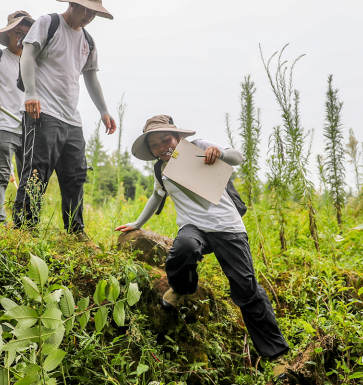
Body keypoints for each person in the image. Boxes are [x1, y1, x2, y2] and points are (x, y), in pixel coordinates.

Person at [115, 115, 290, 360]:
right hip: (193, 227)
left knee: (246, 289)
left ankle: (276, 356)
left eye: (166, 139)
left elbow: (237, 157)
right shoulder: (161, 168)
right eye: (155, 145)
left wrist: (218, 153)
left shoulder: (197, 147)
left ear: (177, 137)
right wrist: (136, 223)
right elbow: (157, 195)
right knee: (183, 248)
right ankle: (181, 288)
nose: (162, 147)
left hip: (227, 227)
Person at [14, 0, 116, 238]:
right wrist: (30, 93)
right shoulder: (49, 23)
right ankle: (25, 229)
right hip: (42, 111)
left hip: (72, 120)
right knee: (36, 171)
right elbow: (27, 55)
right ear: (72, 3)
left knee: (75, 176)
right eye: (87, 10)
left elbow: (91, 78)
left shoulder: (88, 41)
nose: (90, 17)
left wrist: (104, 110)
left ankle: (75, 232)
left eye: (94, 13)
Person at [0, 11, 34, 223]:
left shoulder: (35, 62)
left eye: (26, 32)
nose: (21, 36)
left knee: (29, 180)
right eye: (17, 31)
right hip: (4, 124)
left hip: (30, 127)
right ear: (9, 33)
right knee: (1, 174)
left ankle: (23, 223)